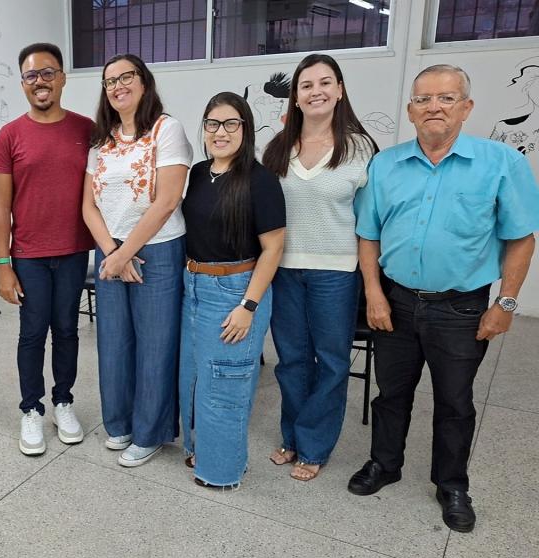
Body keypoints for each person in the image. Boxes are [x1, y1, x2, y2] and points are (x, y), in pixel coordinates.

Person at [349, 64, 539, 533]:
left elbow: (521, 238)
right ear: (410, 110)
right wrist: (373, 293)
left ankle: (451, 484)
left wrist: (506, 304)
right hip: (396, 300)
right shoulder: (386, 165)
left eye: (446, 98)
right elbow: (369, 234)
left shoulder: (501, 164)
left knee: (455, 400)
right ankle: (385, 463)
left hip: (461, 307)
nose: (434, 107)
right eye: (423, 99)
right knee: (391, 392)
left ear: (466, 107)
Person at [261, 54, 378, 482]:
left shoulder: (361, 148)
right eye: (306, 85)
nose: (316, 92)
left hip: (336, 273)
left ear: (340, 90)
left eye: (325, 82)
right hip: (284, 270)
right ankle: (292, 437)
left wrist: (371, 283)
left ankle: (314, 445)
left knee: (331, 361)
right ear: (295, 96)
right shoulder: (277, 148)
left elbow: (369, 223)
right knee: (291, 360)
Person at [82, 54, 191, 467]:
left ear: (144, 82)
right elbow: (88, 206)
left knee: (155, 344)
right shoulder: (101, 141)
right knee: (113, 341)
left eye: (126, 77)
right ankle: (119, 423)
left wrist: (125, 253)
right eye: (110, 81)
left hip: (158, 248)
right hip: (109, 247)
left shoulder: (167, 129)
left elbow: (167, 201)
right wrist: (113, 253)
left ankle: (149, 433)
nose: (118, 86)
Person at [0, 43, 94, 456]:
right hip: (28, 255)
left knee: (67, 330)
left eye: (48, 72)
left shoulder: (86, 130)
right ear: (23, 84)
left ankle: (63, 402)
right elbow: (0, 207)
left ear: (63, 78)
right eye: (31, 75)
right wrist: (3, 264)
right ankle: (31, 409)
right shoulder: (10, 135)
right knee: (33, 333)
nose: (40, 81)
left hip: (73, 251)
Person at [179, 92, 286, 488]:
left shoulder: (261, 180)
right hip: (193, 286)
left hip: (235, 289)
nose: (220, 132)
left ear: (245, 129)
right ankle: (198, 449)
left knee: (225, 383)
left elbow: (273, 248)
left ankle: (221, 470)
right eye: (212, 124)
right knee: (194, 377)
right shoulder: (197, 172)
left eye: (230, 124)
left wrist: (248, 306)